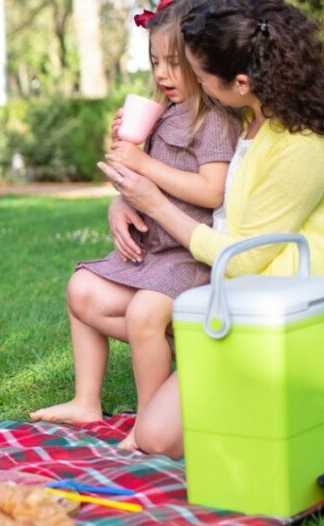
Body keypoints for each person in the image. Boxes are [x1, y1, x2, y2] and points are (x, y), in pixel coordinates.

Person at [99, 0, 324, 458]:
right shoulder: (252, 116)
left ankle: (275, 397)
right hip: (236, 298)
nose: (194, 84)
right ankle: (230, 388)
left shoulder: (302, 145)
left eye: (201, 77)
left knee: (156, 438)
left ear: (241, 83)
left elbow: (242, 260)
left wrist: (155, 204)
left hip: (282, 312)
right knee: (101, 303)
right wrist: (124, 198)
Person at [30, 0, 240, 450]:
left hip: (190, 254)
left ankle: (147, 421)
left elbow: (212, 191)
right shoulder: (161, 113)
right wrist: (124, 172)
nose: (163, 73)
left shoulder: (215, 120)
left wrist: (143, 162)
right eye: (155, 61)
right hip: (154, 252)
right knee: (81, 288)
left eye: (175, 63)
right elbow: (139, 183)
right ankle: (86, 399)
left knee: (145, 313)